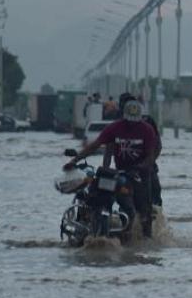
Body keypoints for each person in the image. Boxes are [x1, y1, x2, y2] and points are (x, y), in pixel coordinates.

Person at [65, 94, 159, 238]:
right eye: (129, 122)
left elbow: (151, 155)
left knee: (144, 211)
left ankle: (146, 239)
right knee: (97, 192)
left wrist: (140, 167)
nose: (132, 125)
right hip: (119, 173)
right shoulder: (114, 128)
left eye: (135, 122)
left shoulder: (147, 129)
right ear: (123, 116)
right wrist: (75, 160)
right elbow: (95, 146)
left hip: (140, 174)